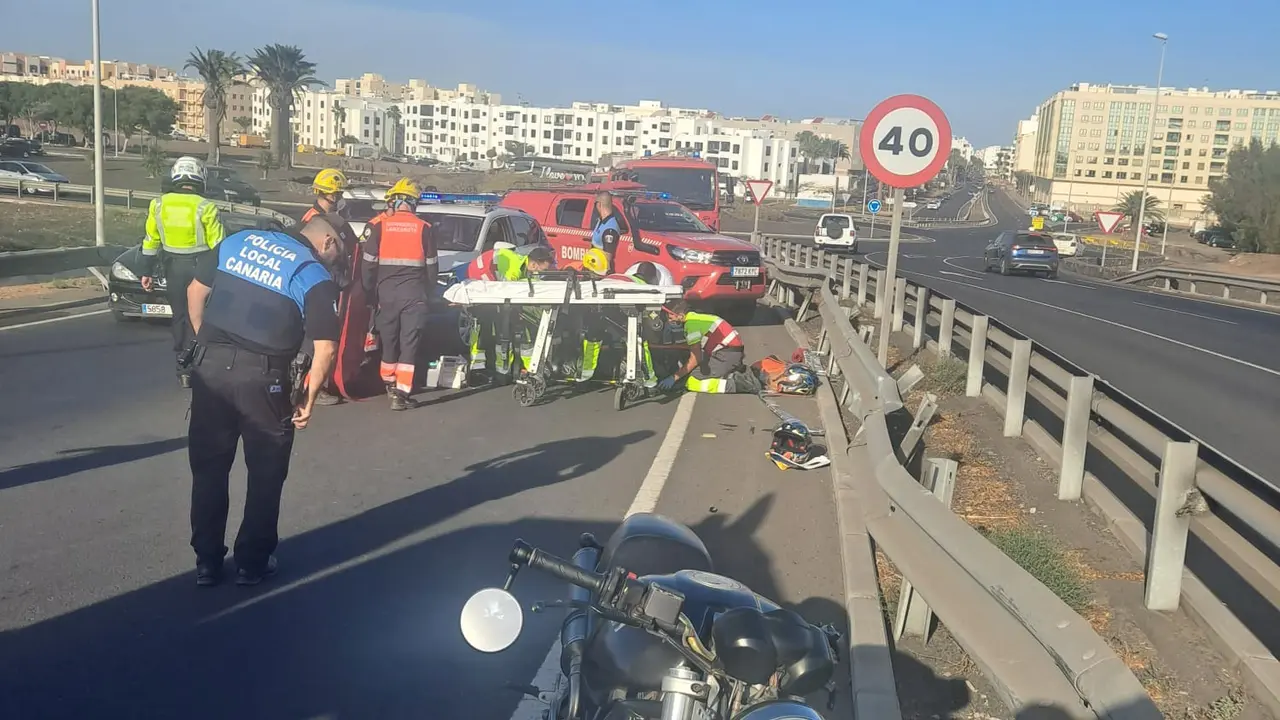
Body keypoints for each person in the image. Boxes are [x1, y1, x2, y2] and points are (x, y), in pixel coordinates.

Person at [184, 214, 348, 587]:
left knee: (209, 469)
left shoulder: (237, 241)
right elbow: (325, 347)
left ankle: (207, 562)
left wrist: (203, 343)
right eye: (337, 255)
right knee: (265, 474)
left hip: (210, 371)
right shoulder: (311, 273)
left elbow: (196, 291)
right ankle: (251, 564)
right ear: (327, 243)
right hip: (264, 379)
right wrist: (309, 395)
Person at [141, 156, 226, 388]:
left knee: (179, 315)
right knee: (199, 316)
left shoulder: (158, 204)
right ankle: (200, 360)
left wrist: (146, 270)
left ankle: (183, 366)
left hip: (172, 268)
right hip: (202, 267)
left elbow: (151, 240)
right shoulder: (206, 206)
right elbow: (218, 244)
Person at [360, 178, 435, 411]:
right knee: (409, 344)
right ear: (413, 203)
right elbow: (432, 266)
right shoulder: (425, 228)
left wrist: (368, 292)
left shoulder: (380, 226)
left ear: (395, 200)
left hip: (386, 294)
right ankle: (401, 394)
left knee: (389, 342)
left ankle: (389, 385)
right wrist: (430, 293)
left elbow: (368, 264)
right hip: (415, 295)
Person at [304, 168, 356, 406]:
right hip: (319, 283)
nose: (336, 200)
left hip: (334, 282)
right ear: (321, 194)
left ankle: (322, 381)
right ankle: (314, 386)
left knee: (330, 337)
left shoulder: (337, 221)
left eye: (339, 195)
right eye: (333, 195)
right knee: (319, 338)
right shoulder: (311, 221)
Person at [658, 299, 758, 394]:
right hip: (729, 351)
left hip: (726, 355)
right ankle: (734, 372)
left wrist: (674, 377)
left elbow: (695, 359)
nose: (670, 322)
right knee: (691, 370)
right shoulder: (696, 317)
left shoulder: (691, 325)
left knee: (692, 381)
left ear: (680, 316)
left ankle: (737, 385)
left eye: (671, 318)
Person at [589, 190, 623, 273]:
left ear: (599, 204)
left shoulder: (610, 228)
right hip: (594, 267)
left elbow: (607, 257)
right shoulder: (601, 221)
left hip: (600, 271)